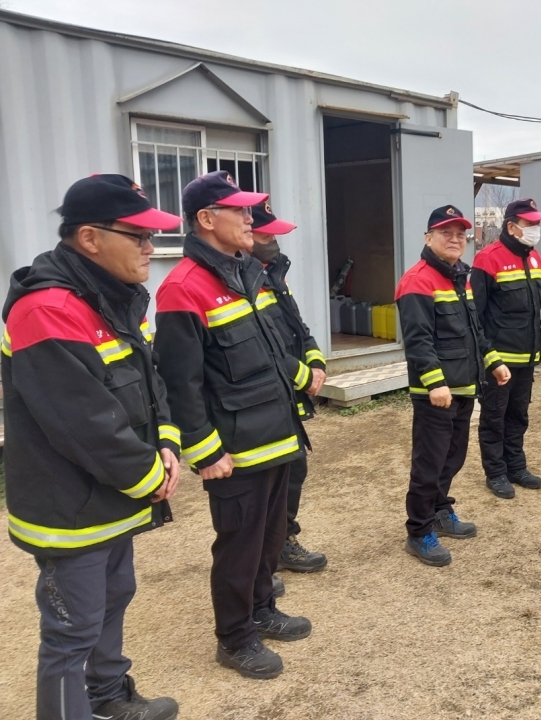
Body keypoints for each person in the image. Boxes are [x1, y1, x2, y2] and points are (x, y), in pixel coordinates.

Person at [2, 174, 181, 720]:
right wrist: (147, 474)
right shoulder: (47, 308)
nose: (152, 248)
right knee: (71, 628)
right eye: (140, 236)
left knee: (114, 596)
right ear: (89, 238)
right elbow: (82, 421)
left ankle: (106, 697)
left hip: (112, 494)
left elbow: (150, 382)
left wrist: (167, 443)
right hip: (69, 508)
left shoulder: (112, 298)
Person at [154, 171, 322, 679]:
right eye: (240, 210)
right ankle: (235, 636)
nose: (252, 219)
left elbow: (275, 349)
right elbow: (180, 384)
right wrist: (205, 452)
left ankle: (262, 607)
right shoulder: (181, 288)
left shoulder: (250, 271)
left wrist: (301, 381)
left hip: (275, 432)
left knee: (272, 536)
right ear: (207, 219)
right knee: (239, 544)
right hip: (235, 450)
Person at [396, 205, 511, 566]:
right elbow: (418, 341)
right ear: (428, 238)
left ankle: (441, 510)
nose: (455, 239)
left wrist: (493, 361)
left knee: (453, 457)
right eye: (446, 233)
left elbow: (476, 333)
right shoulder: (418, 280)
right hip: (438, 394)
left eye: (461, 234)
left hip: (464, 388)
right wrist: (435, 383)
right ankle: (419, 531)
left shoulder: (461, 278)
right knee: (429, 463)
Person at [249, 202, 328, 577]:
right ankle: (266, 552)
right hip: (269, 394)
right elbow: (261, 347)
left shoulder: (273, 275)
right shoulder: (243, 281)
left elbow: (298, 327)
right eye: (266, 234)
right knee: (270, 480)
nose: (274, 240)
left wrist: (316, 361)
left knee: (294, 471)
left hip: (289, 394)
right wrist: (301, 376)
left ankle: (281, 542)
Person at [471, 198, 541, 499]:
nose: (536, 229)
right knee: (494, 416)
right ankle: (496, 472)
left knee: (519, 415)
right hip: (499, 360)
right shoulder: (488, 259)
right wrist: (488, 357)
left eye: (538, 223)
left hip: (527, 356)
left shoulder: (535, 258)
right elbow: (475, 315)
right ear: (512, 226)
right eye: (531, 224)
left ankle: (516, 466)